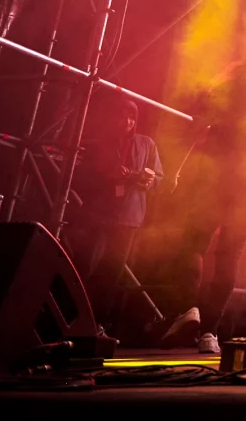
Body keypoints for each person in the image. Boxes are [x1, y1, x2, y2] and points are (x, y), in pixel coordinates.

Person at [155, 39, 246, 355]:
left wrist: (175, 171)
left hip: (213, 176)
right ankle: (210, 333)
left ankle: (188, 310)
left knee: (194, 243)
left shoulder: (225, 87)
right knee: (229, 254)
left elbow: (196, 129)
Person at [65, 98, 163, 332]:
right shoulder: (99, 144)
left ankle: (97, 323)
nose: (127, 121)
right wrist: (109, 175)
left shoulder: (146, 144)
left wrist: (146, 180)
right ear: (113, 118)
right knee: (85, 266)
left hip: (129, 218)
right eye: (122, 116)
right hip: (98, 216)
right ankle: (71, 317)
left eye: (131, 117)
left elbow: (159, 177)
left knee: (112, 272)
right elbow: (82, 177)